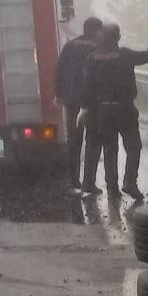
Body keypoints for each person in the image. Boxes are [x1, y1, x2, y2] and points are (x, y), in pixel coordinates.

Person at [76, 17, 148, 199]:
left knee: (110, 148)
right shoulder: (125, 55)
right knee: (133, 147)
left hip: (103, 111)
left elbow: (87, 86)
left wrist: (84, 109)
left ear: (101, 38)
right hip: (125, 110)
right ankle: (130, 182)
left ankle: (112, 187)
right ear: (118, 37)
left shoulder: (92, 58)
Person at [54, 16, 103, 190]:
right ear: (98, 30)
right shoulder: (99, 47)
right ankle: (89, 182)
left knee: (74, 141)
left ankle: (73, 180)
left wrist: (59, 94)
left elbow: (58, 69)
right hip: (93, 103)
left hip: (72, 100)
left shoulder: (70, 46)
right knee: (93, 140)